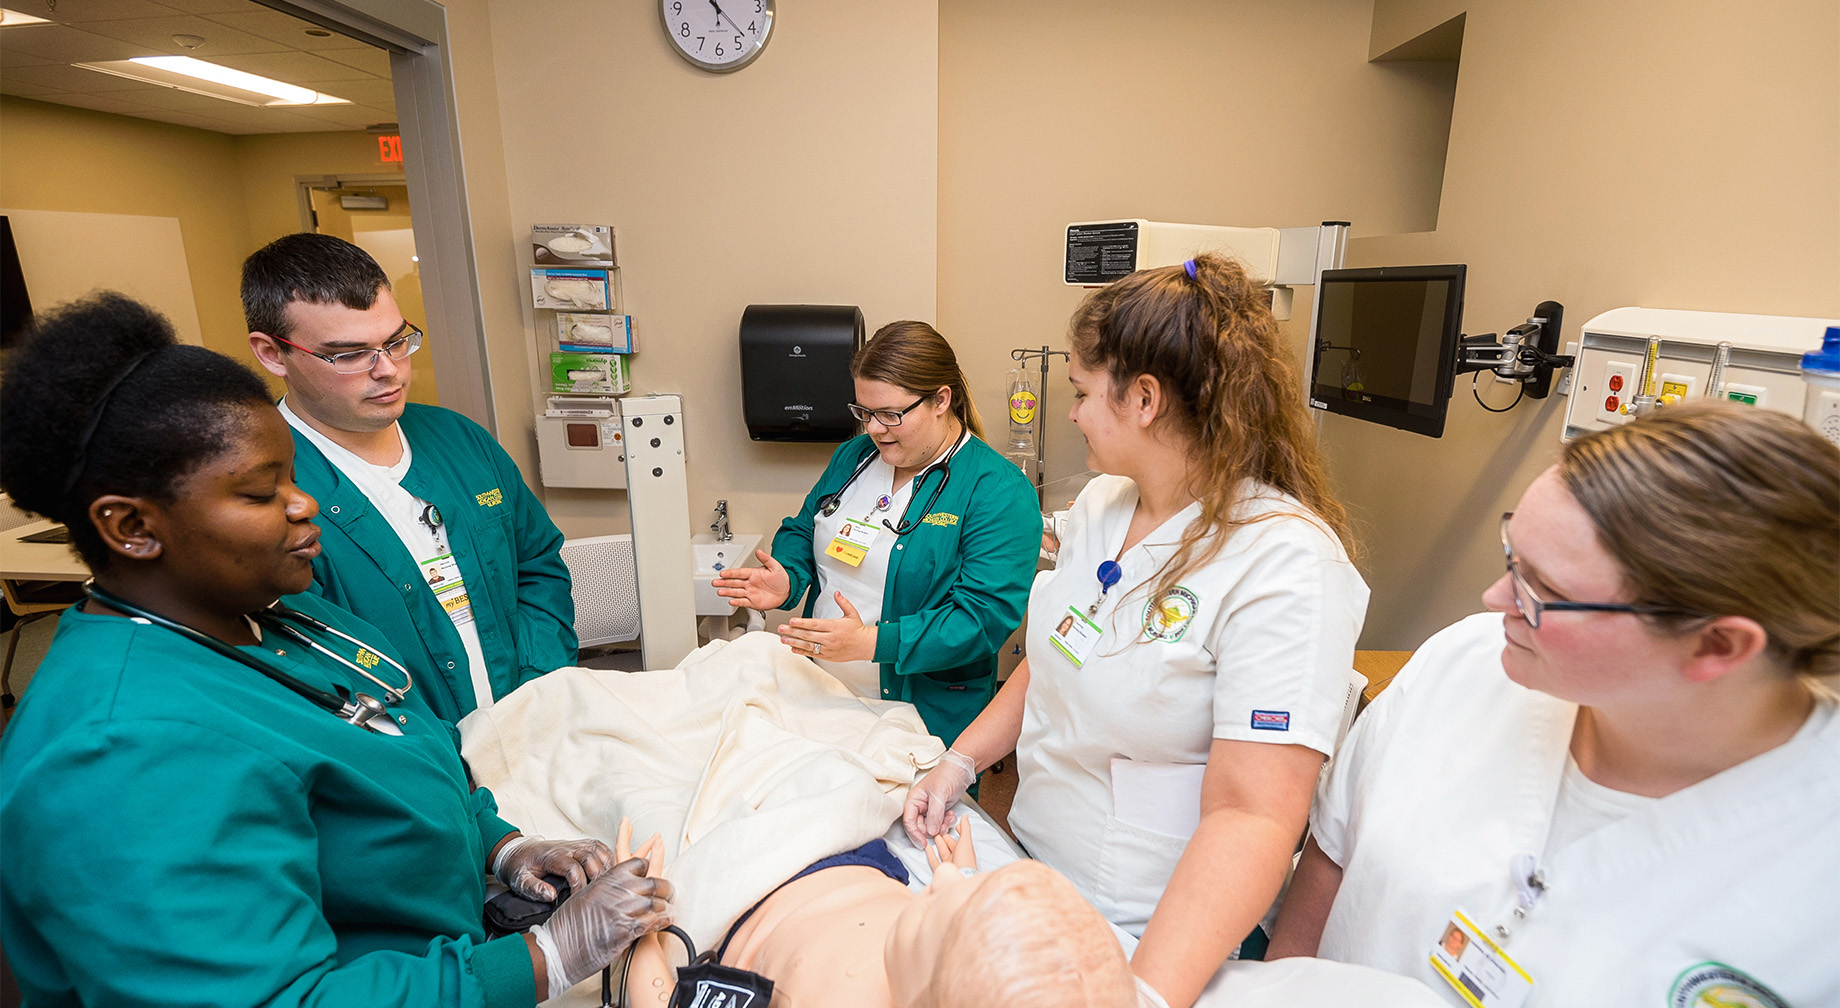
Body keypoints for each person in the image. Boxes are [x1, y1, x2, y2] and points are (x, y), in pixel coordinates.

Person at [0, 294, 672, 1006]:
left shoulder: (289, 619)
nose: (305, 504)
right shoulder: (122, 752)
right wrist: (545, 958)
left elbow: (399, 751)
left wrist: (501, 847)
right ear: (132, 526)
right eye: (262, 493)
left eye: (293, 475)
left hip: (446, 944)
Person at [904, 254, 1370, 1008]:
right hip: (1035, 865)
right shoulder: (1103, 506)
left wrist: (1146, 995)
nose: (1075, 413)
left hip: (1157, 931)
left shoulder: (1284, 565)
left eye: (1086, 393)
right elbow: (1053, 659)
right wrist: (958, 765)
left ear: (1144, 398)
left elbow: (1253, 816)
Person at [1267, 402, 1840, 1007]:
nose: (1494, 598)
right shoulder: (1463, 663)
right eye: (1515, 559)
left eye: (1548, 591)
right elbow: (1331, 863)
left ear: (1717, 644)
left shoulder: (1815, 870)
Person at [243, 233, 575, 723]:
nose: (389, 372)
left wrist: (535, 692)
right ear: (272, 353)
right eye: (350, 354)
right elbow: (306, 660)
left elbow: (537, 567)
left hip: (528, 726)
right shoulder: (266, 491)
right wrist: (435, 753)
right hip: (411, 761)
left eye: (397, 342)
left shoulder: (459, 440)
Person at [713, 321, 1041, 746]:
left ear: (941, 399)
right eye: (864, 412)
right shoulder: (856, 457)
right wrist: (788, 578)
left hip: (918, 712)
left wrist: (873, 642)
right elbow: (803, 528)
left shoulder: (996, 490)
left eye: (890, 414)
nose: (874, 428)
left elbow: (980, 620)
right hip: (822, 692)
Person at [616, 822, 1138, 1008]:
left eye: (937, 900)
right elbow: (970, 930)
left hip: (758, 895)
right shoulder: (947, 967)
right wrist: (964, 883)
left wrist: (635, 926)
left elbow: (665, 1002)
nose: (945, 881)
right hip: (864, 862)